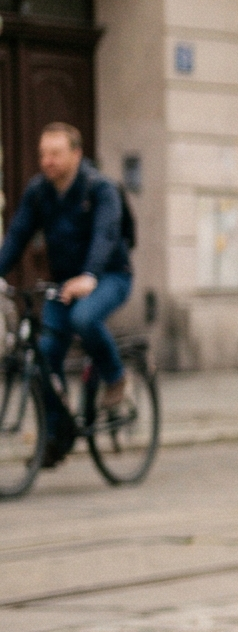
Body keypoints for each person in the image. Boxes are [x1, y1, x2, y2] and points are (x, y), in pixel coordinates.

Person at [0, 122, 133, 443]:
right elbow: (18, 235)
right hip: (64, 284)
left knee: (84, 318)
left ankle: (115, 378)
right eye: (43, 154)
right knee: (45, 355)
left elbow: (106, 234)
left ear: (76, 154)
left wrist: (89, 275)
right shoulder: (39, 191)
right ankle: (58, 434)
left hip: (109, 276)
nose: (47, 161)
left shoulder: (99, 188)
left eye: (55, 153)